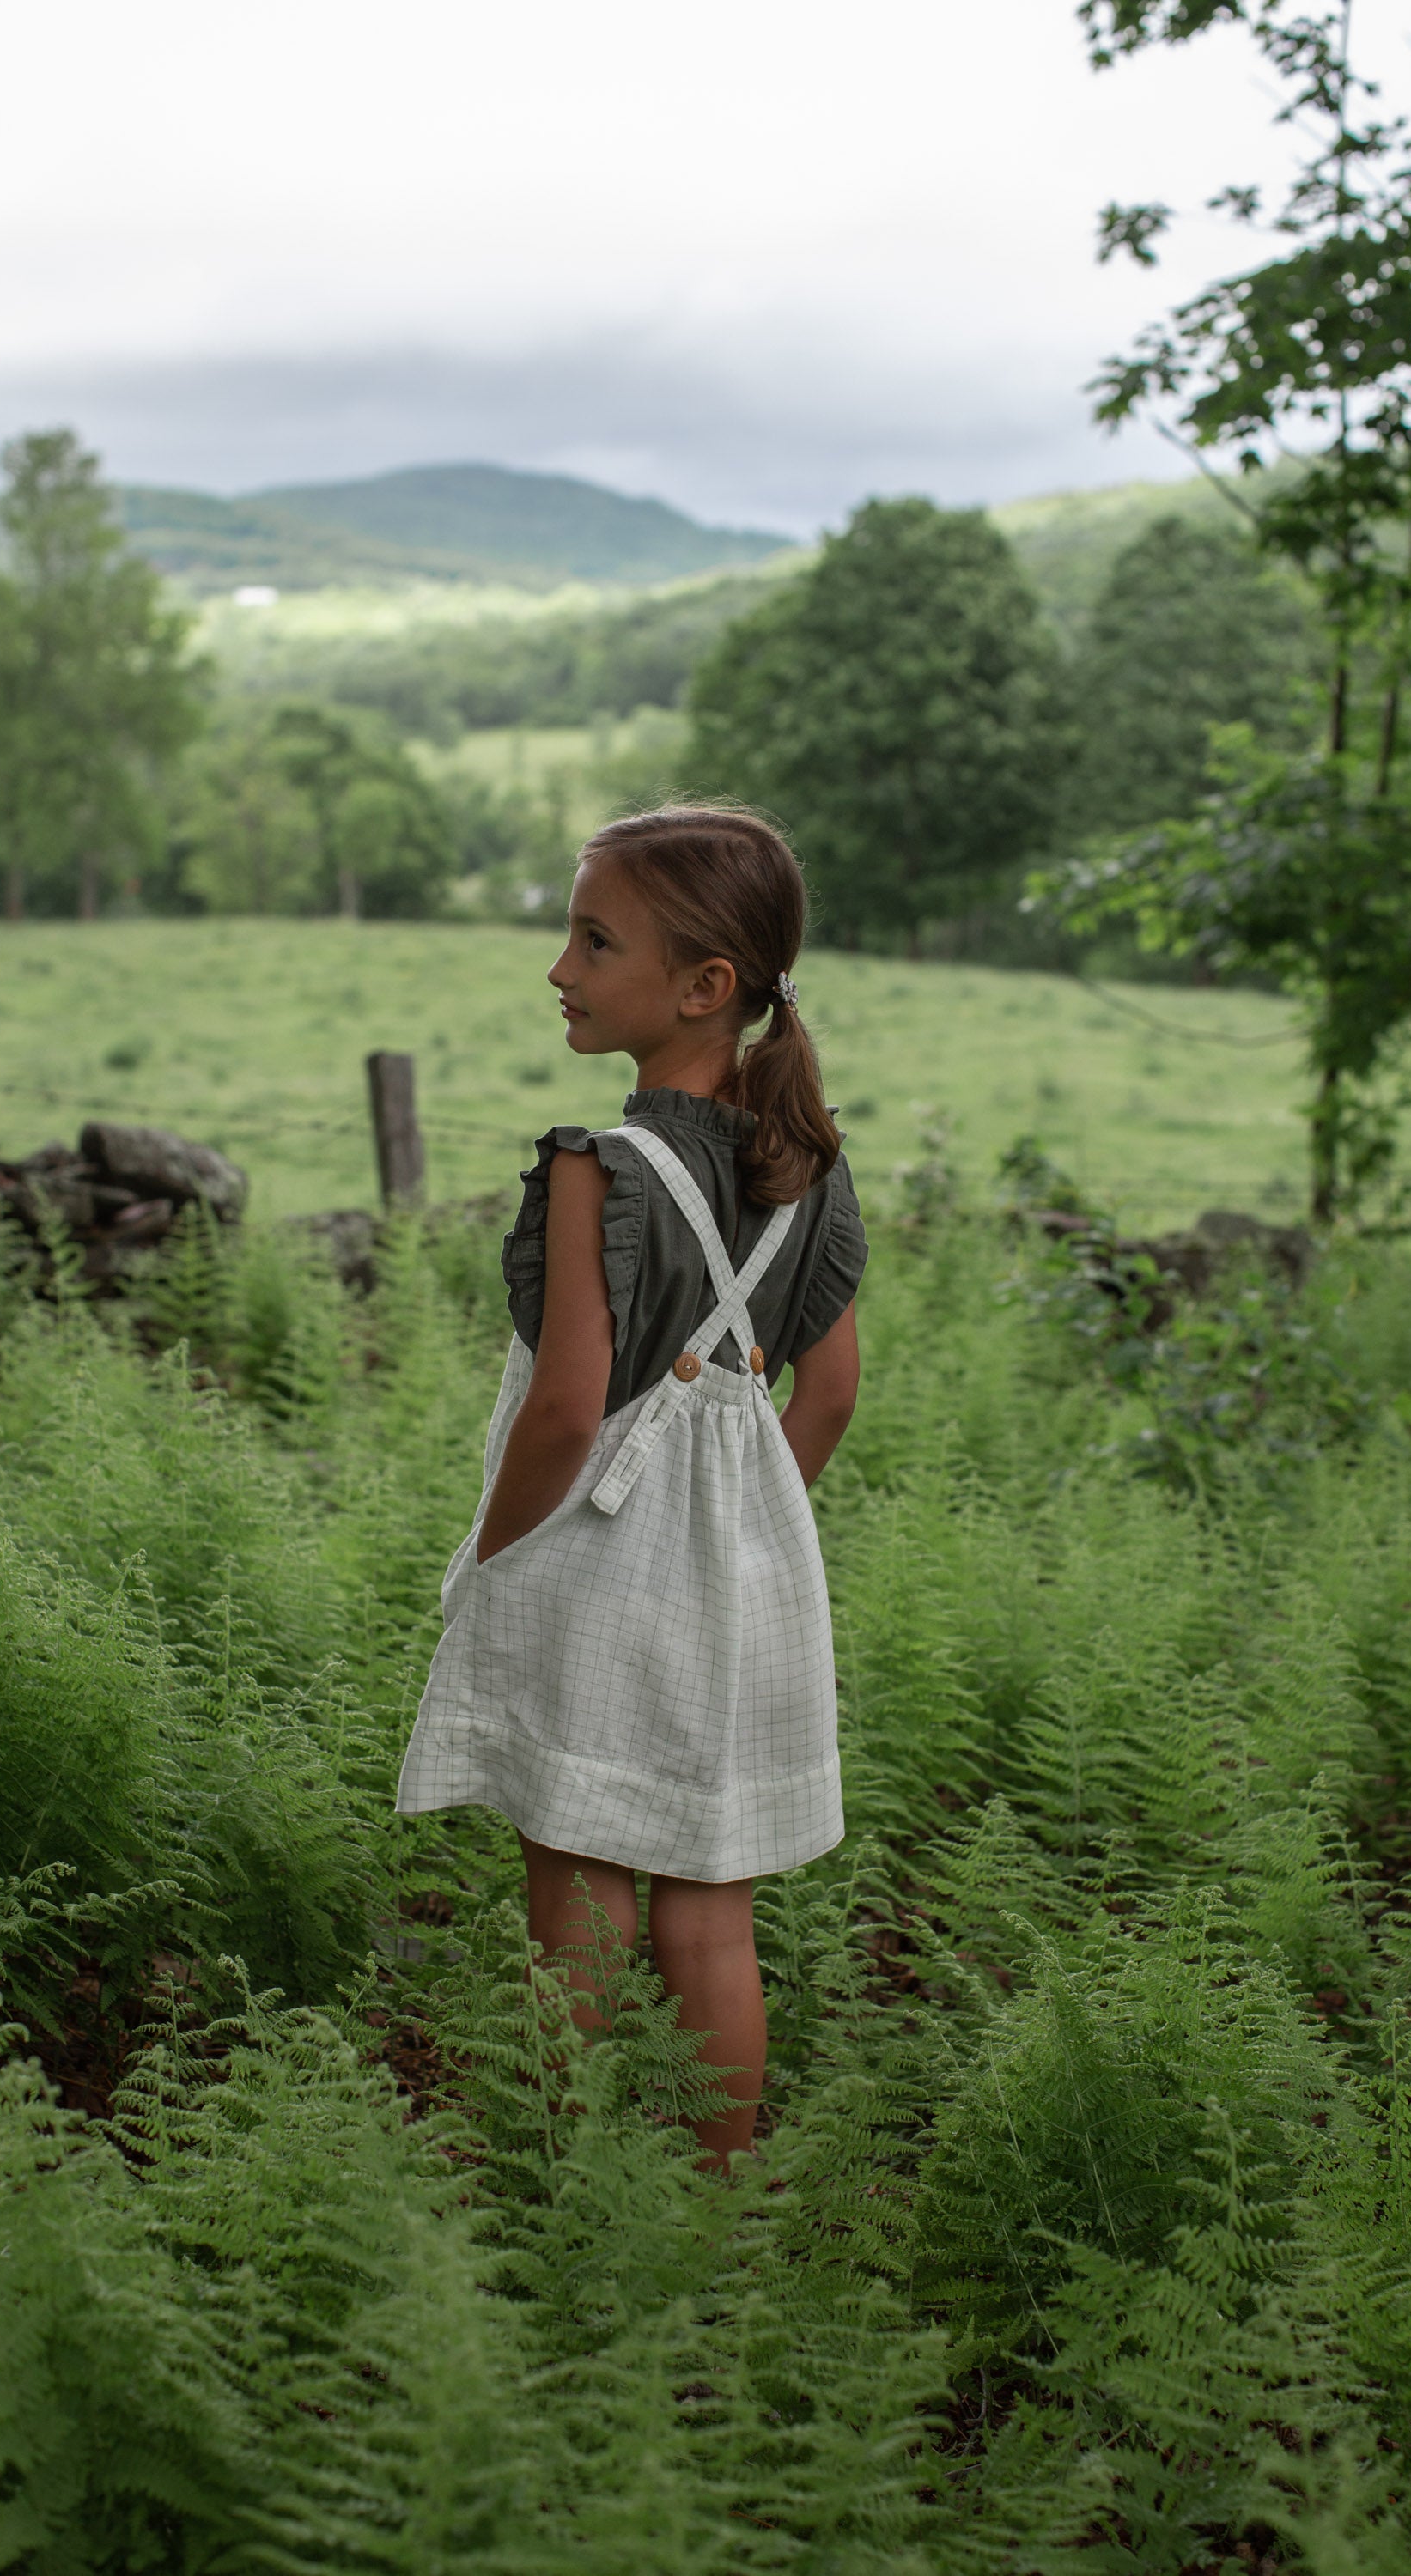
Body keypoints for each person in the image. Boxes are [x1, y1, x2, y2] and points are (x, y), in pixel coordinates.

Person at [397, 805, 867, 2167]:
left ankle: (568, 2179)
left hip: (584, 1556)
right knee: (712, 1909)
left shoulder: (592, 1169)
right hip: (740, 1574)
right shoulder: (809, 1172)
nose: (560, 967)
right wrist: (739, 1534)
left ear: (704, 988)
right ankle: (711, 2210)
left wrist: (488, 1554)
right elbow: (824, 1398)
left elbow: (563, 1409)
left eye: (593, 940)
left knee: (582, 1879)